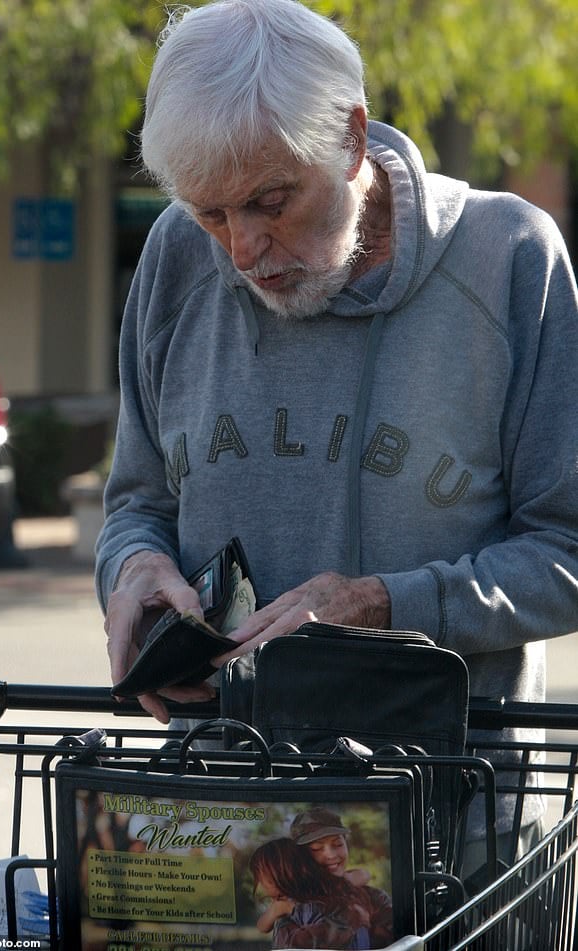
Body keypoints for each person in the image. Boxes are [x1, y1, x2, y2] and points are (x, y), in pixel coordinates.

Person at [96, 0, 578, 876]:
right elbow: (138, 503)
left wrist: (384, 605)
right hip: (219, 829)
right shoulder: (175, 257)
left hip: (453, 844)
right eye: (212, 214)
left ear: (352, 142)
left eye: (269, 202)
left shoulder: (510, 260)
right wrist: (132, 570)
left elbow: (569, 551)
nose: (242, 249)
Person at [289, 807, 393, 948]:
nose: (331, 855)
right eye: (317, 848)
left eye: (337, 844)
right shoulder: (291, 904)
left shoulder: (374, 898)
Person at [249, 836, 374, 949]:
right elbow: (262, 926)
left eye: (260, 879)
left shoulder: (305, 907)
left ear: (277, 877)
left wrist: (280, 910)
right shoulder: (327, 890)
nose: (260, 886)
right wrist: (275, 910)